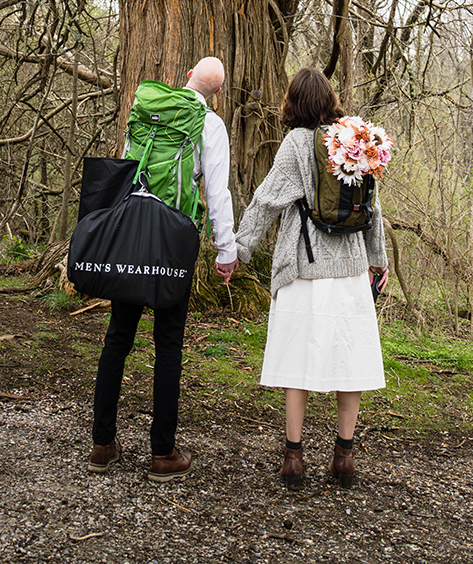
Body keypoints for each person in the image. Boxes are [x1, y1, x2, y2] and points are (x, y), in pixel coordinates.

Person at [234, 66, 388, 488]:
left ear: (293, 102)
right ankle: (344, 457)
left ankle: (294, 458)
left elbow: (266, 201)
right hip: (351, 271)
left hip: (303, 269)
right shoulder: (354, 141)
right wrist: (378, 260)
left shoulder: (296, 143)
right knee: (350, 363)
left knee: (297, 365)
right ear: (330, 99)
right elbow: (372, 210)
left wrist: (238, 250)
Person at [87, 55, 238, 481]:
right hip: (173, 239)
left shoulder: (148, 111)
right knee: (168, 343)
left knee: (118, 336)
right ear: (218, 94)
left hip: (132, 233)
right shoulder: (209, 125)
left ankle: (102, 444)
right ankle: (162, 453)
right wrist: (226, 249)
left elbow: (122, 167)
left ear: (187, 75)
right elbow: (218, 189)